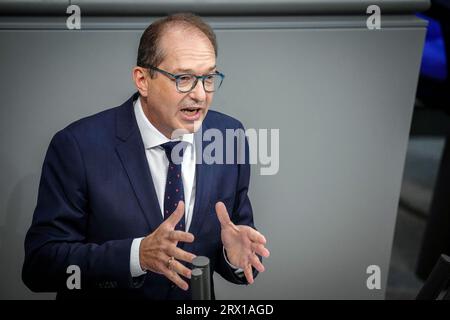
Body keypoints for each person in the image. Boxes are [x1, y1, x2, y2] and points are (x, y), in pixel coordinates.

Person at [22, 12, 269, 300]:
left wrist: (232, 257)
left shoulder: (229, 135)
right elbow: (40, 266)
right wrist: (136, 256)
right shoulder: (77, 146)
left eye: (209, 77)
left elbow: (236, 234)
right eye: (184, 78)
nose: (201, 95)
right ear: (143, 80)